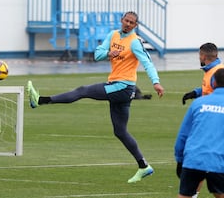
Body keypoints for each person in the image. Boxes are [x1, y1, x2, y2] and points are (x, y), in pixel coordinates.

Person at [27, 11, 164, 183]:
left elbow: (147, 63)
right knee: (120, 131)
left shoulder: (135, 42)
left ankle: (40, 100)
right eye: (126, 20)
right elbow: (97, 54)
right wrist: (108, 54)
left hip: (123, 87)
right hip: (119, 89)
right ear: (122, 20)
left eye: (132, 22)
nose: (128, 24)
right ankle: (144, 166)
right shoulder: (113, 35)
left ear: (135, 26)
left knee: (83, 90)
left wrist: (156, 82)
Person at [181, 43, 224, 198]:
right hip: (209, 118)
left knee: (205, 159)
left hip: (213, 121)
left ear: (203, 56)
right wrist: (195, 92)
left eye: (199, 55)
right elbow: (208, 90)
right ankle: (193, 194)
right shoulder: (212, 71)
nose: (199, 57)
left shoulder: (217, 72)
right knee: (204, 163)